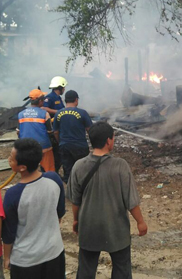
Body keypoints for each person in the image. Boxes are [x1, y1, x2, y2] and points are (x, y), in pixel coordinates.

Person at [66, 121, 147, 279]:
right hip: (116, 229)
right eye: (113, 138)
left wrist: (76, 221)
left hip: (88, 227)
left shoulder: (78, 166)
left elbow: (75, 201)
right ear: (108, 141)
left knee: (86, 269)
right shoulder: (120, 166)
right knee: (122, 268)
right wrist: (140, 221)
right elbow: (130, 201)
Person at [3, 138, 65, 279]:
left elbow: (9, 233)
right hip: (54, 252)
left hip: (26, 261)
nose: (8, 159)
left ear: (22, 167)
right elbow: (59, 212)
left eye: (11, 158)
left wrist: (6, 257)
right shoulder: (54, 179)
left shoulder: (13, 194)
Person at [53, 90, 92, 183]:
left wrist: (60, 142)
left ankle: (70, 192)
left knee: (68, 171)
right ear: (76, 100)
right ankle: (83, 191)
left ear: (65, 100)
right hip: (80, 146)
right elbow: (90, 130)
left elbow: (55, 132)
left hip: (64, 146)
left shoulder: (58, 113)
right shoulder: (82, 113)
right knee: (83, 170)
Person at [17, 89, 54, 172]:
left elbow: (18, 132)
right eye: (43, 99)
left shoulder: (21, 114)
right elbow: (50, 131)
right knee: (49, 170)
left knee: (29, 171)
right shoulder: (44, 113)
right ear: (40, 101)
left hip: (26, 147)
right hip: (43, 146)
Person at [42, 76, 67, 175]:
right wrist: (58, 112)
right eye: (63, 87)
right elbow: (44, 108)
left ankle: (54, 172)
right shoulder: (50, 97)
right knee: (56, 153)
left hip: (59, 128)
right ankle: (51, 173)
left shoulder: (58, 98)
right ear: (60, 87)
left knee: (59, 154)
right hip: (52, 130)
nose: (64, 90)